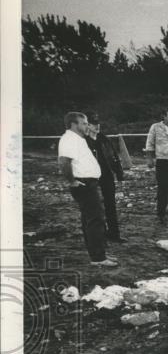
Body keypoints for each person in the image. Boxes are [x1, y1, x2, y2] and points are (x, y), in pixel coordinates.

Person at [57, 112, 118, 268]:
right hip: (83, 184)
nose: (87, 126)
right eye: (84, 123)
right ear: (74, 124)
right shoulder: (70, 139)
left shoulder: (78, 139)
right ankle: (98, 258)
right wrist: (72, 182)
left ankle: (98, 252)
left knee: (90, 220)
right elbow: (64, 162)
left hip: (89, 183)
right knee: (95, 219)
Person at [84, 112, 127, 242]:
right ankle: (96, 236)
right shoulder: (83, 141)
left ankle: (114, 234)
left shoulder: (104, 139)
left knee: (110, 205)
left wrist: (119, 173)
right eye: (93, 124)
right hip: (90, 177)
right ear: (87, 125)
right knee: (94, 207)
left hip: (106, 175)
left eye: (98, 124)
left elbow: (114, 156)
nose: (97, 126)